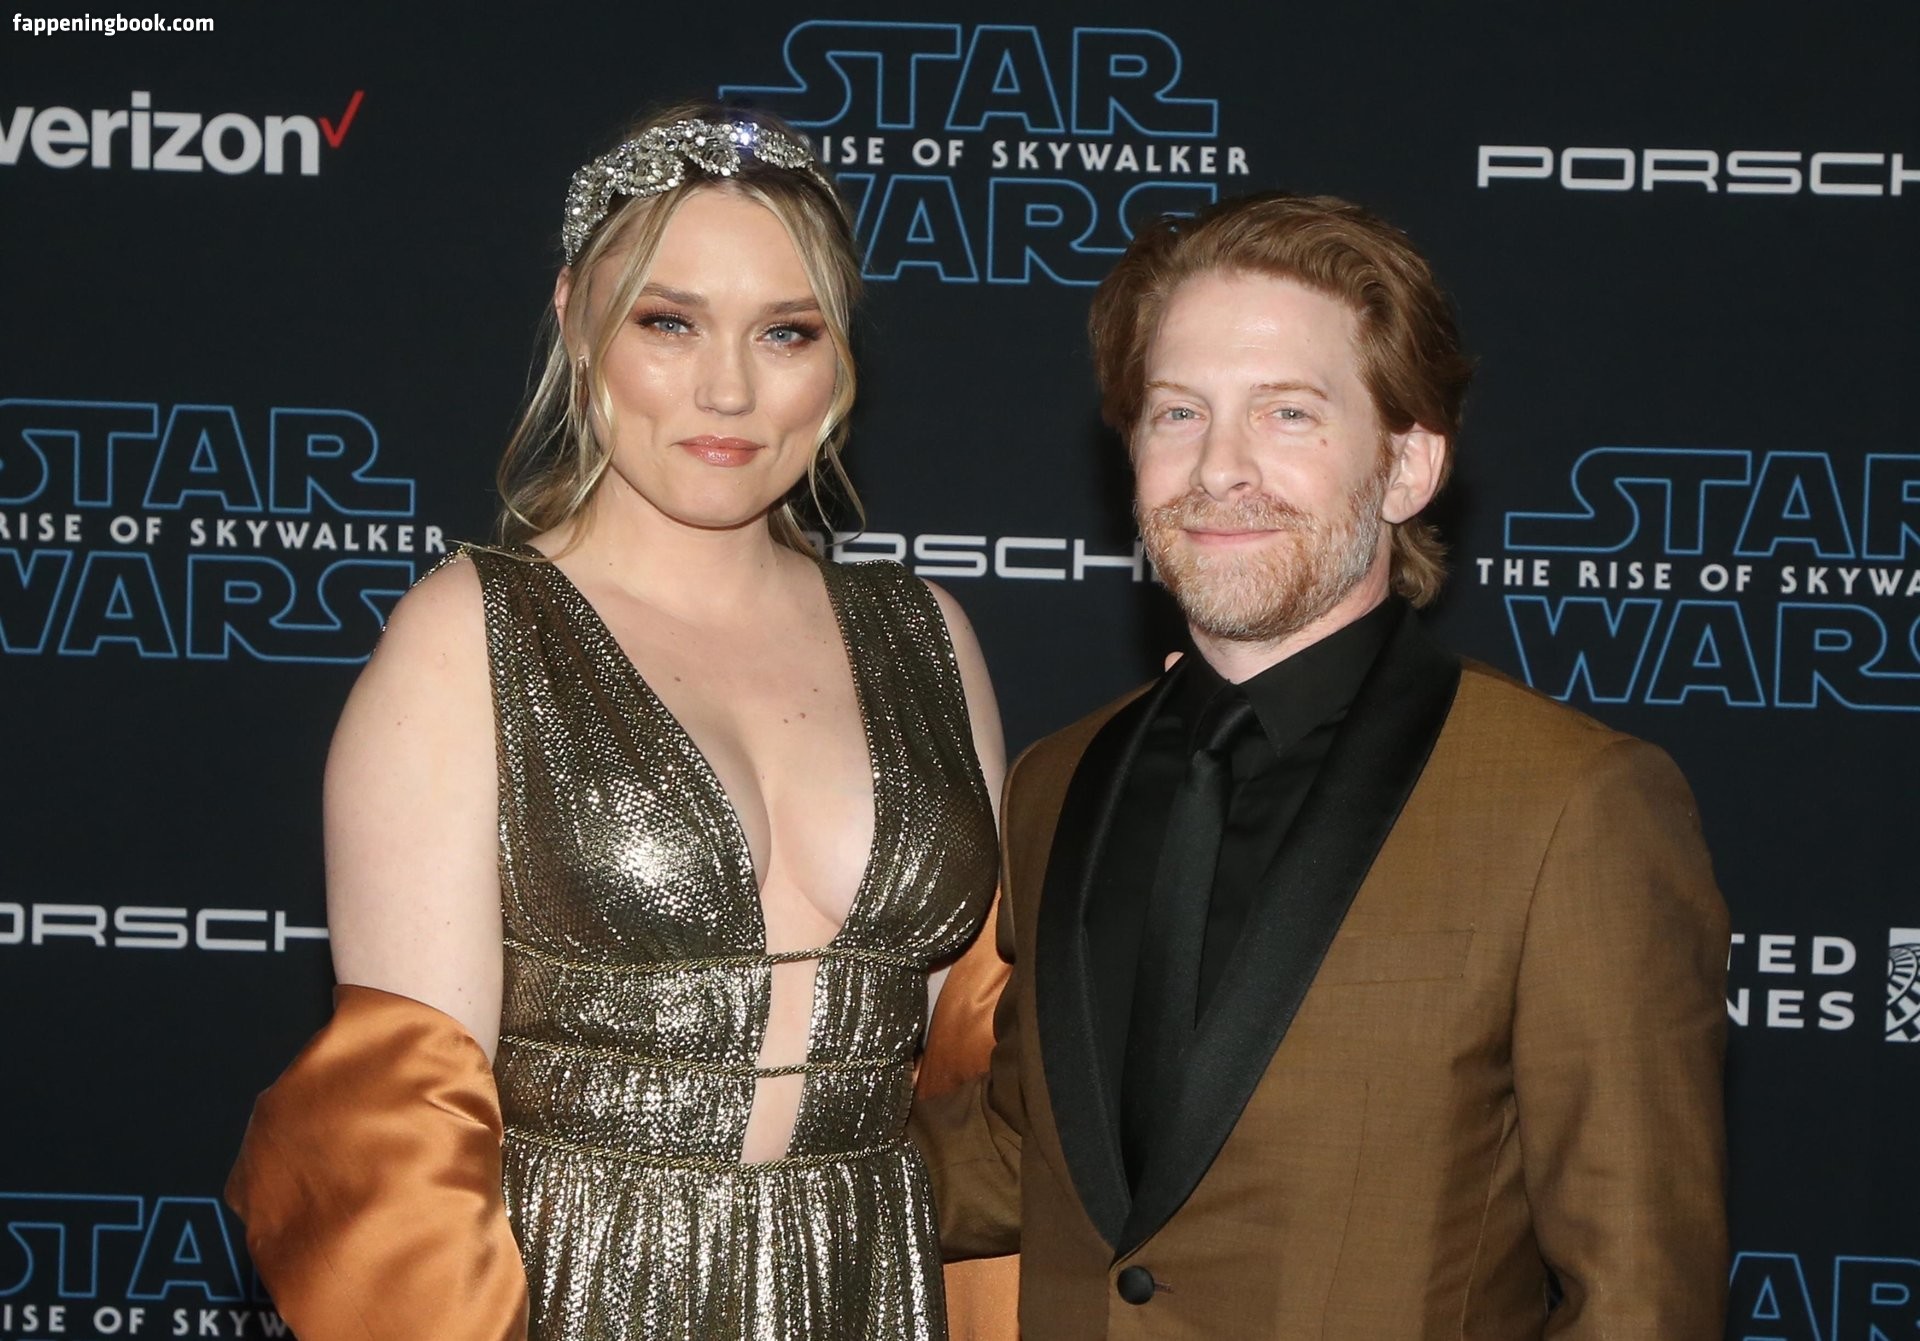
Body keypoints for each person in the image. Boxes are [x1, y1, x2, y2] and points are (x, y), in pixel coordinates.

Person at [227, 104, 1004, 1341]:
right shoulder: (472, 638)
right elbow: (398, 1127)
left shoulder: (927, 638)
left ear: (837, 351)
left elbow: (983, 1072)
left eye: (786, 331)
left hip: (874, 1285)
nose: (729, 389)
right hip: (578, 1294)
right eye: (669, 322)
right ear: (576, 320)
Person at [912, 191, 1730, 1338]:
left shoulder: (1571, 807)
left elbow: (1637, 1295)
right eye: (1178, 412)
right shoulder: (1056, 782)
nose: (1220, 468)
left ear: (1407, 467)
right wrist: (708, 1171)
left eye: (1288, 413)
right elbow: (1021, 1147)